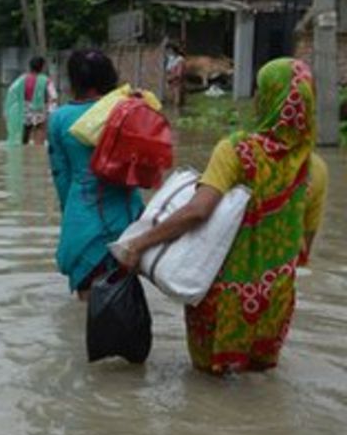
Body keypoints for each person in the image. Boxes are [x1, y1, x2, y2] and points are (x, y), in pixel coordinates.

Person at [114, 58, 328, 374]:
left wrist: (138, 244)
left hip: (222, 296)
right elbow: (303, 248)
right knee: (258, 383)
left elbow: (197, 211)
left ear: (266, 97)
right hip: (275, 297)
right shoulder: (315, 169)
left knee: (207, 384)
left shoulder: (237, 151)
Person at [48, 50, 143, 300]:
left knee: (89, 309)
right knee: (124, 300)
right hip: (125, 213)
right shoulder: (127, 109)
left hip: (82, 215)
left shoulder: (59, 119)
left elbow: (61, 175)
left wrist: (68, 212)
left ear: (73, 80)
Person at [3, 56, 58, 146]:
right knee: (40, 132)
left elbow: (11, 91)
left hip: (25, 109)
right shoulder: (46, 80)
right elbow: (53, 96)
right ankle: (37, 153)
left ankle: (24, 152)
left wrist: (10, 110)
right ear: (42, 67)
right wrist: (51, 110)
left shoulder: (22, 79)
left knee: (24, 135)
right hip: (40, 109)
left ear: (30, 66)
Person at [165, 42, 186, 107]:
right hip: (170, 83)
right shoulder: (170, 59)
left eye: (169, 50)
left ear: (173, 50)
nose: (167, 52)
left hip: (177, 84)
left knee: (176, 103)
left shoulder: (180, 60)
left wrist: (171, 78)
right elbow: (168, 70)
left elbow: (179, 74)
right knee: (170, 102)